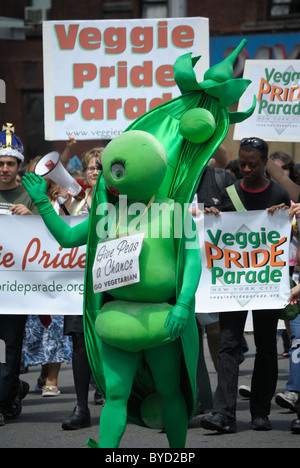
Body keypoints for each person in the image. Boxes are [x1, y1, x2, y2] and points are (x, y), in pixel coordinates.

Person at [200, 136, 291, 433]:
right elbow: (221, 236)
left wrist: (288, 217)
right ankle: (223, 413)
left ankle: (260, 412)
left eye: (253, 164)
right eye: (243, 163)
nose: (247, 168)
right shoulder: (228, 193)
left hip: (264, 283)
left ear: (265, 163)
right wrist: (212, 217)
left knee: (266, 346)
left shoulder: (278, 192)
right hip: (233, 283)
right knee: (228, 344)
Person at [61, 145, 105, 430]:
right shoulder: (71, 202)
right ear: (84, 172)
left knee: (113, 340)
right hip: (76, 285)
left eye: (100, 167)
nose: (95, 172)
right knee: (79, 342)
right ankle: (81, 407)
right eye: (91, 167)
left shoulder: (121, 201)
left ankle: (117, 397)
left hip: (109, 282)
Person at [22, 156, 73, 397]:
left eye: (41, 174)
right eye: (32, 174)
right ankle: (44, 372)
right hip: (33, 274)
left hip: (59, 270)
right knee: (38, 327)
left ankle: (52, 378)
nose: (37, 178)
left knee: (56, 325)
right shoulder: (24, 198)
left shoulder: (62, 198)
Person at [0, 123, 39, 427]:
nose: (4, 168)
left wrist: (34, 218)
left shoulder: (29, 195)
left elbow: (52, 234)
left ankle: (4, 398)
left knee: (10, 345)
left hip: (16, 287)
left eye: (10, 163)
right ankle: (12, 389)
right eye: (0, 163)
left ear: (19, 165)